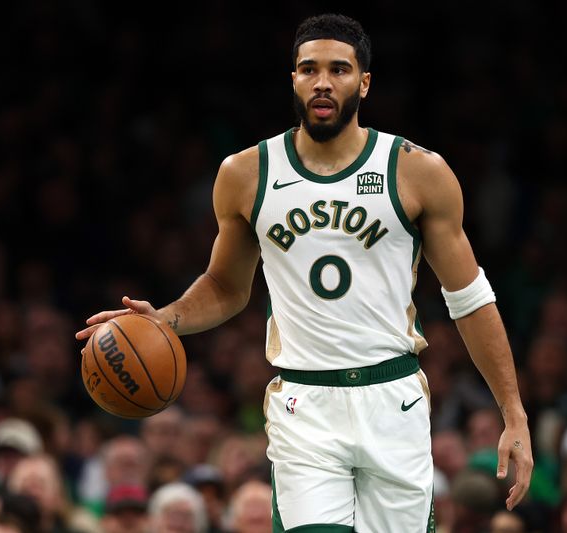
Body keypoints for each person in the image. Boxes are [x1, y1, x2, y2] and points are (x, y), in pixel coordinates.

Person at [77, 13, 532, 531]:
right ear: (292, 78)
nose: (322, 81)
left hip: (394, 399)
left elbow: (469, 298)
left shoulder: (417, 171)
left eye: (339, 69)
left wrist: (513, 411)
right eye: (308, 69)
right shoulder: (246, 173)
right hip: (304, 404)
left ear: (364, 82)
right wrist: (166, 319)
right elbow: (226, 286)